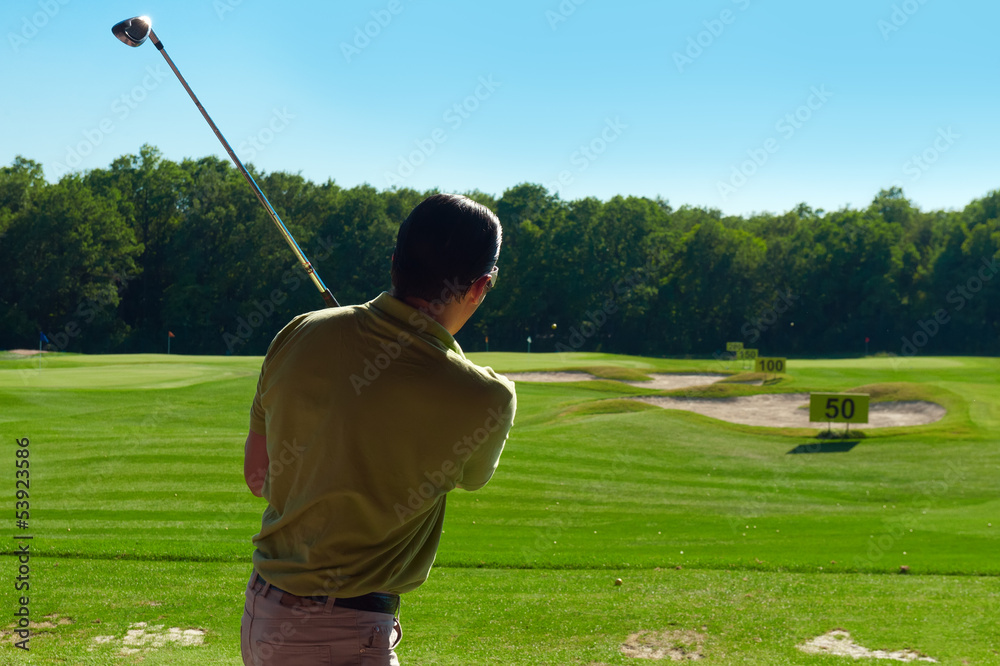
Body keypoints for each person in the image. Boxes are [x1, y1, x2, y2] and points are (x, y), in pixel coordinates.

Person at [240, 193, 516, 666]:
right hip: (343, 633)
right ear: (480, 285)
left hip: (262, 613)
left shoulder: (299, 331)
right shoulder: (486, 396)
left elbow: (257, 476)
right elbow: (472, 478)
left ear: (394, 261)